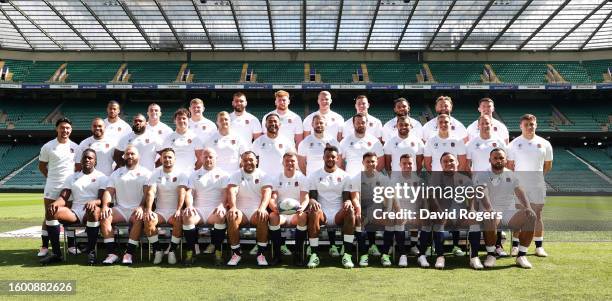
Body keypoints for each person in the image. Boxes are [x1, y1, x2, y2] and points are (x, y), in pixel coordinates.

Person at [40, 149, 107, 265]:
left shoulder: (102, 177)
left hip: (91, 211)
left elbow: (102, 199)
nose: (87, 159)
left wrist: (94, 202)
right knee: (51, 211)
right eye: (85, 157)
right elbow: (63, 198)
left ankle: (91, 252)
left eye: (90, 158)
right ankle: (57, 254)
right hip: (75, 211)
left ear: (95, 161)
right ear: (81, 160)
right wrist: (55, 204)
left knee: (94, 211)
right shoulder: (72, 177)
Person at [475, 148, 537, 269]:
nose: (498, 160)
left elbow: (520, 192)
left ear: (505, 160)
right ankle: (491, 254)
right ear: (490, 160)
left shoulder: (511, 174)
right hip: (489, 211)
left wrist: (528, 208)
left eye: (501, 158)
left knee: (531, 215)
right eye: (495, 158)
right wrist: (489, 209)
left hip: (508, 212)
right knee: (490, 216)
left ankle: (521, 255)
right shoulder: (482, 174)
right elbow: (483, 192)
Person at [418, 153, 477, 269]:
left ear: (457, 163)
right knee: (435, 219)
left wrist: (471, 211)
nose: (448, 163)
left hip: (459, 215)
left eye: (451, 161)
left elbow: (472, 200)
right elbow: (432, 198)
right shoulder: (435, 178)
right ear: (440, 165)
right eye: (445, 161)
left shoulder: (466, 179)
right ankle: (440, 256)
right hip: (441, 214)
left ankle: (474, 257)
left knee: (475, 221)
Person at [305, 146, 360, 268]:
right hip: (321, 214)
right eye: (328, 156)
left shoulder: (345, 176)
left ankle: (347, 254)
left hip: (337, 214)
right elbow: (313, 196)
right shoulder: (314, 175)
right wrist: (312, 201)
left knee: (350, 210)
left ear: (337, 158)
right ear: (323, 158)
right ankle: (314, 255)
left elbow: (346, 198)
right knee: (313, 210)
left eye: (333, 157)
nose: (330, 159)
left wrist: (348, 202)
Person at [508, 114, 553, 257]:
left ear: (536, 125)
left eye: (532, 124)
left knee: (538, 215)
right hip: (519, 186)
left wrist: (537, 178)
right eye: (526, 124)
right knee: (520, 215)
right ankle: (515, 245)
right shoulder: (513, 144)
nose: (529, 126)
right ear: (520, 126)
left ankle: (539, 246)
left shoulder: (545, 143)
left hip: (537, 185)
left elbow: (547, 165)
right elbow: (510, 166)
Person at [100, 145, 152, 265]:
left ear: (138, 156)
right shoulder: (116, 173)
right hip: (120, 209)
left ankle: (129, 253)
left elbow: (147, 193)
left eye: (132, 154)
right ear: (124, 156)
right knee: (104, 216)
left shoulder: (146, 173)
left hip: (137, 209)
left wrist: (141, 207)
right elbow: (109, 191)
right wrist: (105, 206)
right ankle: (111, 254)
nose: (129, 156)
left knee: (139, 218)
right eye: (127, 154)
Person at [37, 118, 78, 258]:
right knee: (48, 215)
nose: (65, 130)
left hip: (69, 189)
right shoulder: (48, 146)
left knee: (69, 215)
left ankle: (72, 245)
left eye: (67, 128)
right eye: (62, 127)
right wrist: (51, 178)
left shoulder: (76, 147)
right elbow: (42, 166)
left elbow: (77, 168)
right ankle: (44, 246)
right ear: (57, 129)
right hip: (52, 186)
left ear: (71, 130)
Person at [225, 151, 274, 266]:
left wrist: (262, 208)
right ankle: (236, 253)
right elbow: (232, 191)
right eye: (245, 160)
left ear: (256, 161)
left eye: (251, 160)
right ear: (241, 162)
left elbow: (267, 193)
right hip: (240, 211)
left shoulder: (263, 175)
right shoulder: (236, 175)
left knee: (263, 215)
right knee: (231, 215)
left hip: (255, 211)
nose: (248, 162)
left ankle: (261, 254)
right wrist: (233, 207)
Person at [183, 148, 230, 266]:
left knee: (221, 215)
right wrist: (189, 205)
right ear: (201, 158)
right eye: (205, 157)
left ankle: (217, 251)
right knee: (187, 216)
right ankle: (191, 251)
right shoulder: (194, 174)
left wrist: (221, 205)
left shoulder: (224, 175)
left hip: (214, 210)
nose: (208, 159)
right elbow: (189, 192)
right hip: (198, 210)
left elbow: (225, 193)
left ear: (216, 158)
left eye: (211, 157)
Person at [143, 148, 189, 265]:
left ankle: (172, 251)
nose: (167, 159)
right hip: (160, 212)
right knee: (148, 219)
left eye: (170, 157)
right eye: (164, 157)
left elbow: (182, 193)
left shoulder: (181, 174)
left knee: (180, 219)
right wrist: (148, 210)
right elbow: (151, 192)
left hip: (175, 211)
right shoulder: (155, 173)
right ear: (161, 159)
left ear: (174, 159)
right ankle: (158, 250)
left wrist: (179, 210)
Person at [268, 152, 309, 266]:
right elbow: (273, 198)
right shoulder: (277, 177)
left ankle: (298, 254)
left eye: (292, 161)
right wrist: (274, 208)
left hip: (296, 213)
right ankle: (277, 255)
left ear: (296, 163)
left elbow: (305, 198)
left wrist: (302, 208)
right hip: (281, 213)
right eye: (287, 161)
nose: (290, 163)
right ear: (283, 162)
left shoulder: (302, 178)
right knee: (272, 216)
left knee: (303, 216)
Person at [161, 108, 203, 175]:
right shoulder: (168, 138)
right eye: (179, 118)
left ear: (188, 120)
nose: (181, 120)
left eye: (184, 118)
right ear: (175, 121)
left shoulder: (195, 138)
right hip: (172, 175)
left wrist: (193, 171)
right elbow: (163, 158)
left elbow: (201, 159)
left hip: (189, 175)